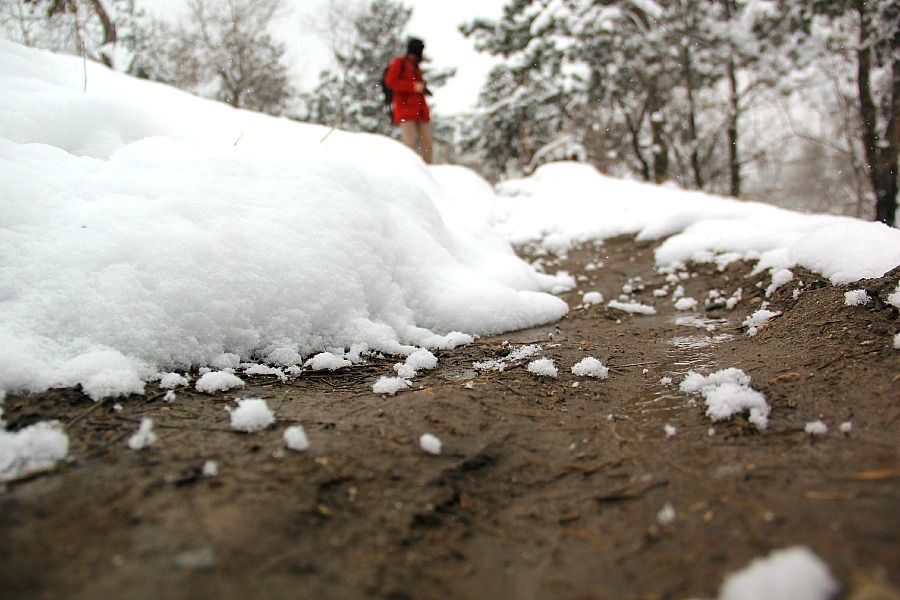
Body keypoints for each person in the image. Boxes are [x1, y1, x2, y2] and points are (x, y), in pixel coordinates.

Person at [384, 37, 433, 164]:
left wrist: (422, 89)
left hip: (420, 111)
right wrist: (412, 87)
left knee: (427, 144)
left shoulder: (416, 67)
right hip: (405, 110)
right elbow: (390, 81)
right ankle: (410, 173)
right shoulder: (399, 63)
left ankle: (429, 174)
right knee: (410, 144)